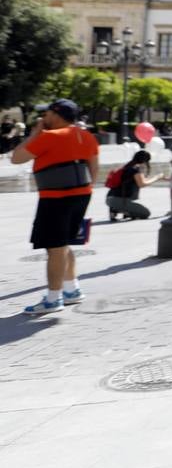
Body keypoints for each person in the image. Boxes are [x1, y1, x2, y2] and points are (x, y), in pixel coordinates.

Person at [10, 100, 100, 315]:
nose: (43, 119)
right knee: (63, 244)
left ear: (56, 115)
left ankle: (53, 298)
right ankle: (71, 289)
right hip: (80, 195)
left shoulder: (49, 136)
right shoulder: (86, 136)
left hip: (56, 198)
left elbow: (16, 158)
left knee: (55, 249)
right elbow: (94, 170)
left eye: (47, 114)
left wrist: (34, 134)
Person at [106, 149, 162, 221]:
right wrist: (157, 177)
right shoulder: (135, 168)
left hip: (110, 198)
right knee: (146, 213)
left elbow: (142, 180)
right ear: (145, 161)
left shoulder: (128, 166)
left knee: (132, 201)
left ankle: (115, 210)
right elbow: (142, 184)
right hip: (119, 200)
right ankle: (125, 211)